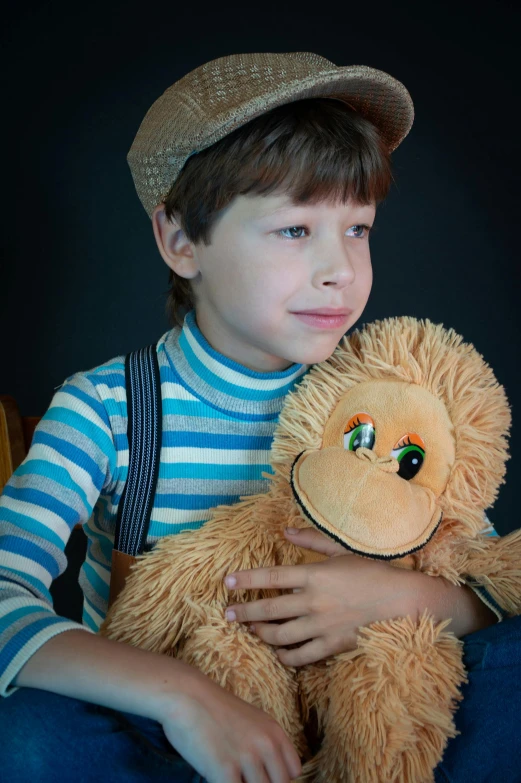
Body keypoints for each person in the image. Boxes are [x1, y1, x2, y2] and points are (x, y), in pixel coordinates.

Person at [0, 51, 519, 783]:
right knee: (25, 733)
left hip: (364, 738)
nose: (339, 268)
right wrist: (186, 698)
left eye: (358, 229)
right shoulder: (109, 409)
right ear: (182, 242)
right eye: (294, 230)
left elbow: (495, 583)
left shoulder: (383, 392)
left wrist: (400, 596)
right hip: (173, 750)